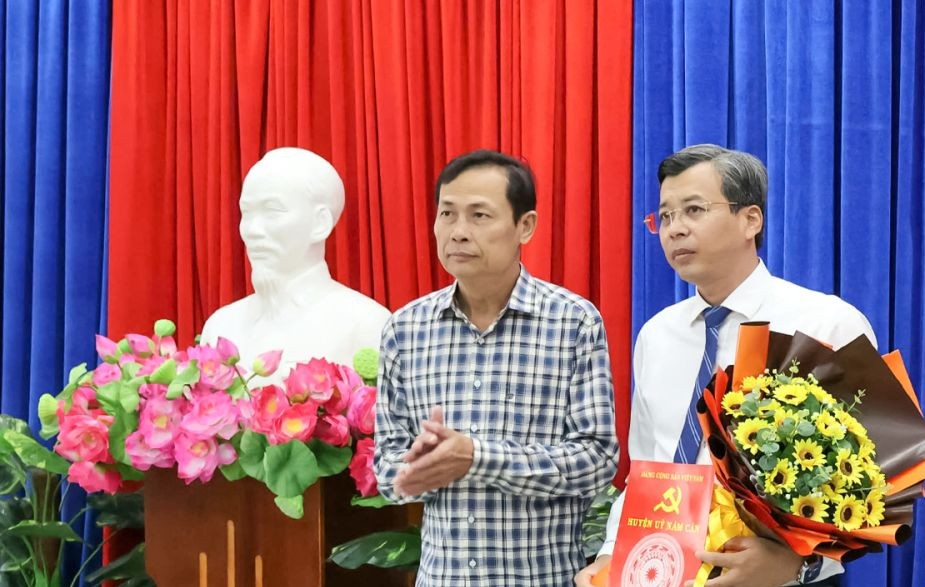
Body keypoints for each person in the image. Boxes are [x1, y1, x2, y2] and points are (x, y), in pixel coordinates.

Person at [575, 144, 874, 587]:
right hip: (663, 569)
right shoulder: (657, 335)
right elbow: (649, 466)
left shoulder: (825, 322)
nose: (675, 229)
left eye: (693, 209)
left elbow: (875, 483)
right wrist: (610, 555)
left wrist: (798, 566)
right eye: (666, 216)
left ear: (750, 219)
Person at [374, 149, 619, 586]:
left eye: (480, 216)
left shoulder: (573, 321)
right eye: (446, 214)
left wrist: (476, 457)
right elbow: (386, 474)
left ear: (525, 226)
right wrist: (418, 469)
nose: (459, 232)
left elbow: (597, 461)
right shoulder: (405, 329)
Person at [200, 147, 390, 371]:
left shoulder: (366, 324)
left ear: (320, 223)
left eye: (272, 210)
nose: (252, 229)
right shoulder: (221, 327)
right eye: (246, 212)